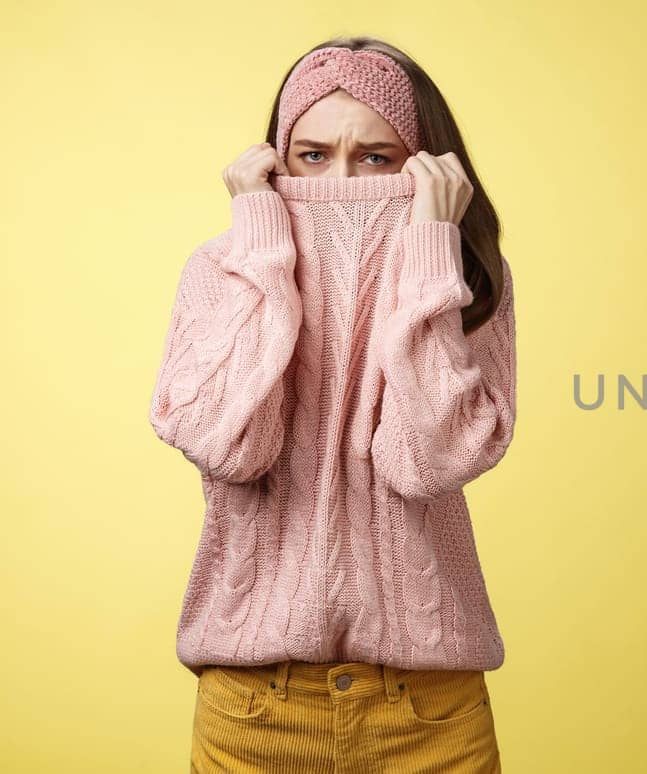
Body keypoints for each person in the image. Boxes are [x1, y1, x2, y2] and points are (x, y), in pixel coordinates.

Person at [148, 36, 516, 772]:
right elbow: (233, 446)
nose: (341, 179)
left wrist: (431, 251)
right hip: (255, 711)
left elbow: (430, 461)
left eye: (376, 158)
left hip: (430, 712)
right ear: (276, 161)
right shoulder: (220, 270)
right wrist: (262, 253)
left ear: (425, 166)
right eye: (312, 156)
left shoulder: (466, 274)